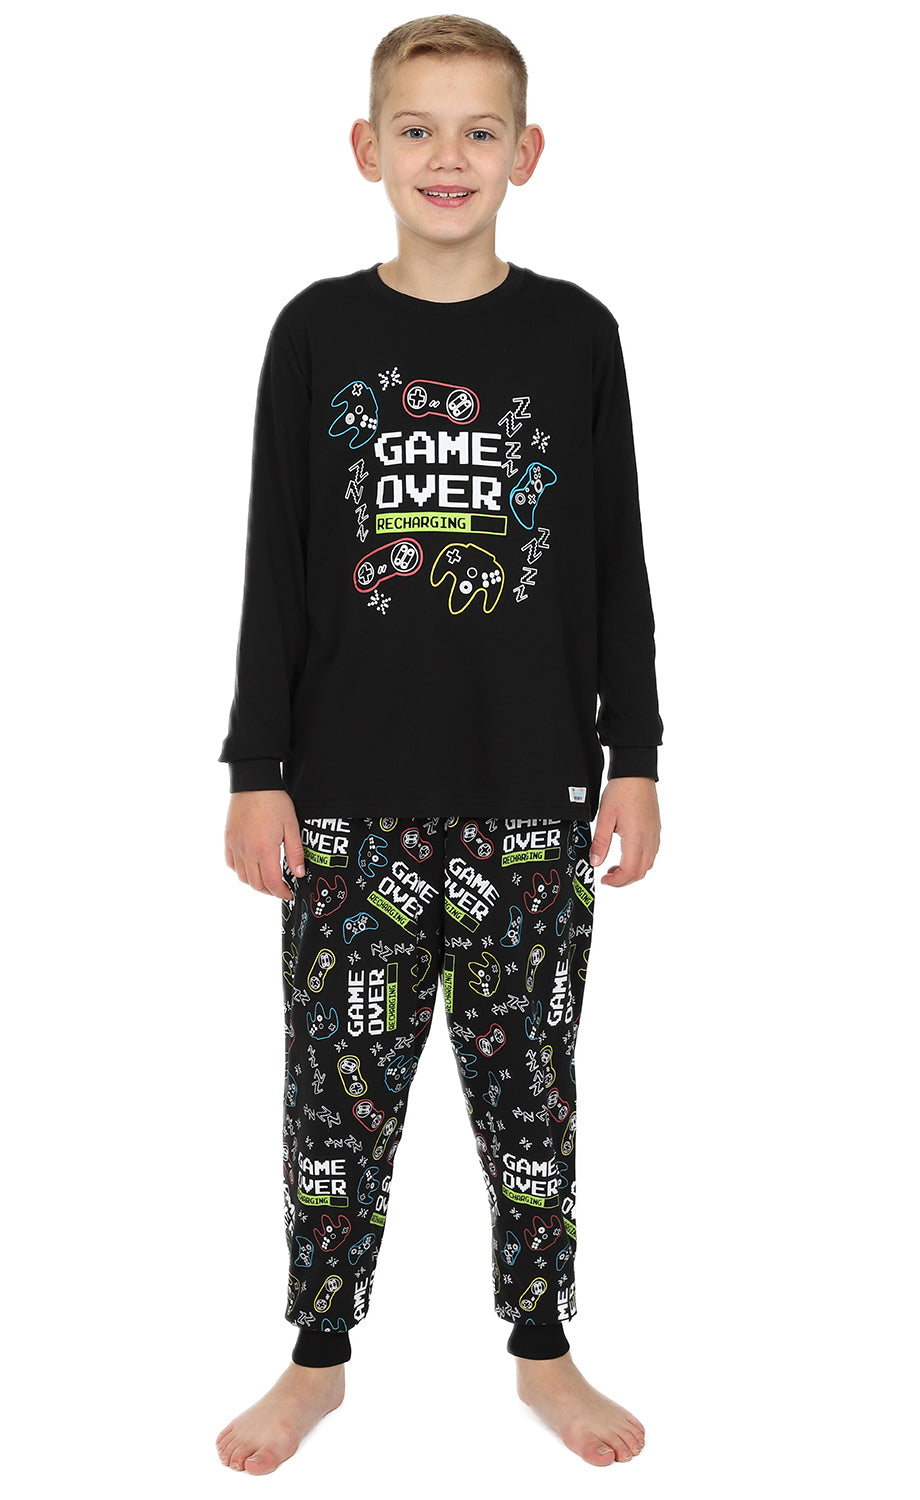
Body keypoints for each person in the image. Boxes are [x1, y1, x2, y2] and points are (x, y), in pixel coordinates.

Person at [214, 13, 661, 1476]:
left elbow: (615, 562)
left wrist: (637, 754)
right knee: (334, 1100)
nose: (447, 156)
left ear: (527, 153)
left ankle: (543, 1346)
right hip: (346, 800)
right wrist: (256, 770)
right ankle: (317, 1356)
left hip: (533, 795)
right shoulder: (316, 333)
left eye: (479, 130)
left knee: (531, 1090)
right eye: (417, 129)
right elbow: (278, 563)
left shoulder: (576, 334)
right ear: (368, 149)